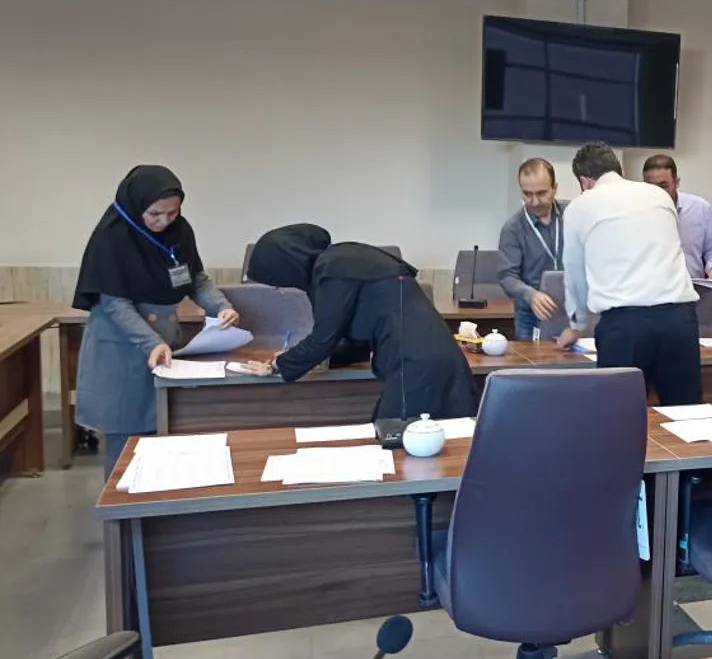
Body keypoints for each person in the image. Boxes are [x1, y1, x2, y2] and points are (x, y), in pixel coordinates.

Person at [72, 165, 238, 477]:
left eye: (172, 213)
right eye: (155, 214)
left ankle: (156, 503)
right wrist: (152, 342)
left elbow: (195, 279)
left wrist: (221, 308)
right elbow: (115, 304)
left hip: (163, 344)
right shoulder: (113, 236)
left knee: (163, 430)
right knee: (126, 438)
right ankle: (122, 505)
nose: (164, 221)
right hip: (122, 347)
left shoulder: (179, 231)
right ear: (136, 206)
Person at [244, 224, 476, 420]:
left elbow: (322, 339)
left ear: (285, 264)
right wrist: (323, 358)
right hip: (433, 356)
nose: (278, 287)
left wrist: (277, 365)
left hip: (415, 365)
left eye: (276, 279)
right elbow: (356, 339)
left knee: (395, 439)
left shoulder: (332, 270)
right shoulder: (347, 257)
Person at [560, 143, 702, 404]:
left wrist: (576, 326)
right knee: (686, 412)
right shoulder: (659, 196)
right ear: (618, 169)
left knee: (619, 415)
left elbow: (575, 275)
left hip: (625, 326)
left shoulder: (580, 207)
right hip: (679, 320)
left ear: (585, 181)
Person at [498, 158, 568, 339]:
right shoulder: (513, 228)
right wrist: (530, 295)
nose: (535, 202)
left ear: (555, 188)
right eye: (527, 194)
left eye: (541, 193)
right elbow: (507, 276)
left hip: (573, 311)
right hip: (531, 315)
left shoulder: (573, 214)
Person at [641, 154, 712, 282]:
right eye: (650, 187)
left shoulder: (700, 209)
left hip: (693, 288)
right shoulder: (636, 213)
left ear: (676, 183)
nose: (657, 192)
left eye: (663, 186)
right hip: (651, 289)